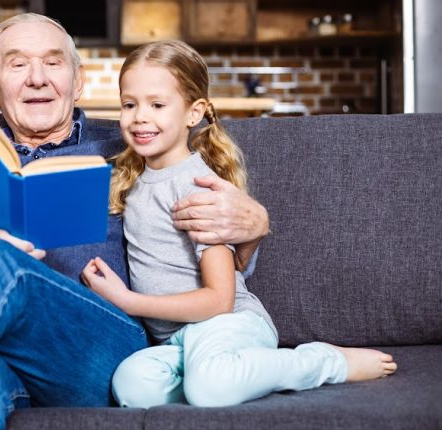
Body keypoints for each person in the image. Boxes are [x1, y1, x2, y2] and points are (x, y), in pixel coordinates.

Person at [0, 14, 269, 430]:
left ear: (77, 82)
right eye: (17, 64)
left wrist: (255, 226)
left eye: (53, 63)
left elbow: (200, 219)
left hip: (96, 350)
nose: (37, 78)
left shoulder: (133, 149)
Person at [81, 40, 397, 409]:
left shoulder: (197, 188)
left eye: (157, 105)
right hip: (177, 342)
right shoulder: (132, 179)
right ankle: (221, 376)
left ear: (193, 112)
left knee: (209, 388)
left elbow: (220, 300)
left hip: (228, 325)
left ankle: (323, 361)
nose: (139, 117)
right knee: (132, 386)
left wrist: (128, 301)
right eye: (129, 104)